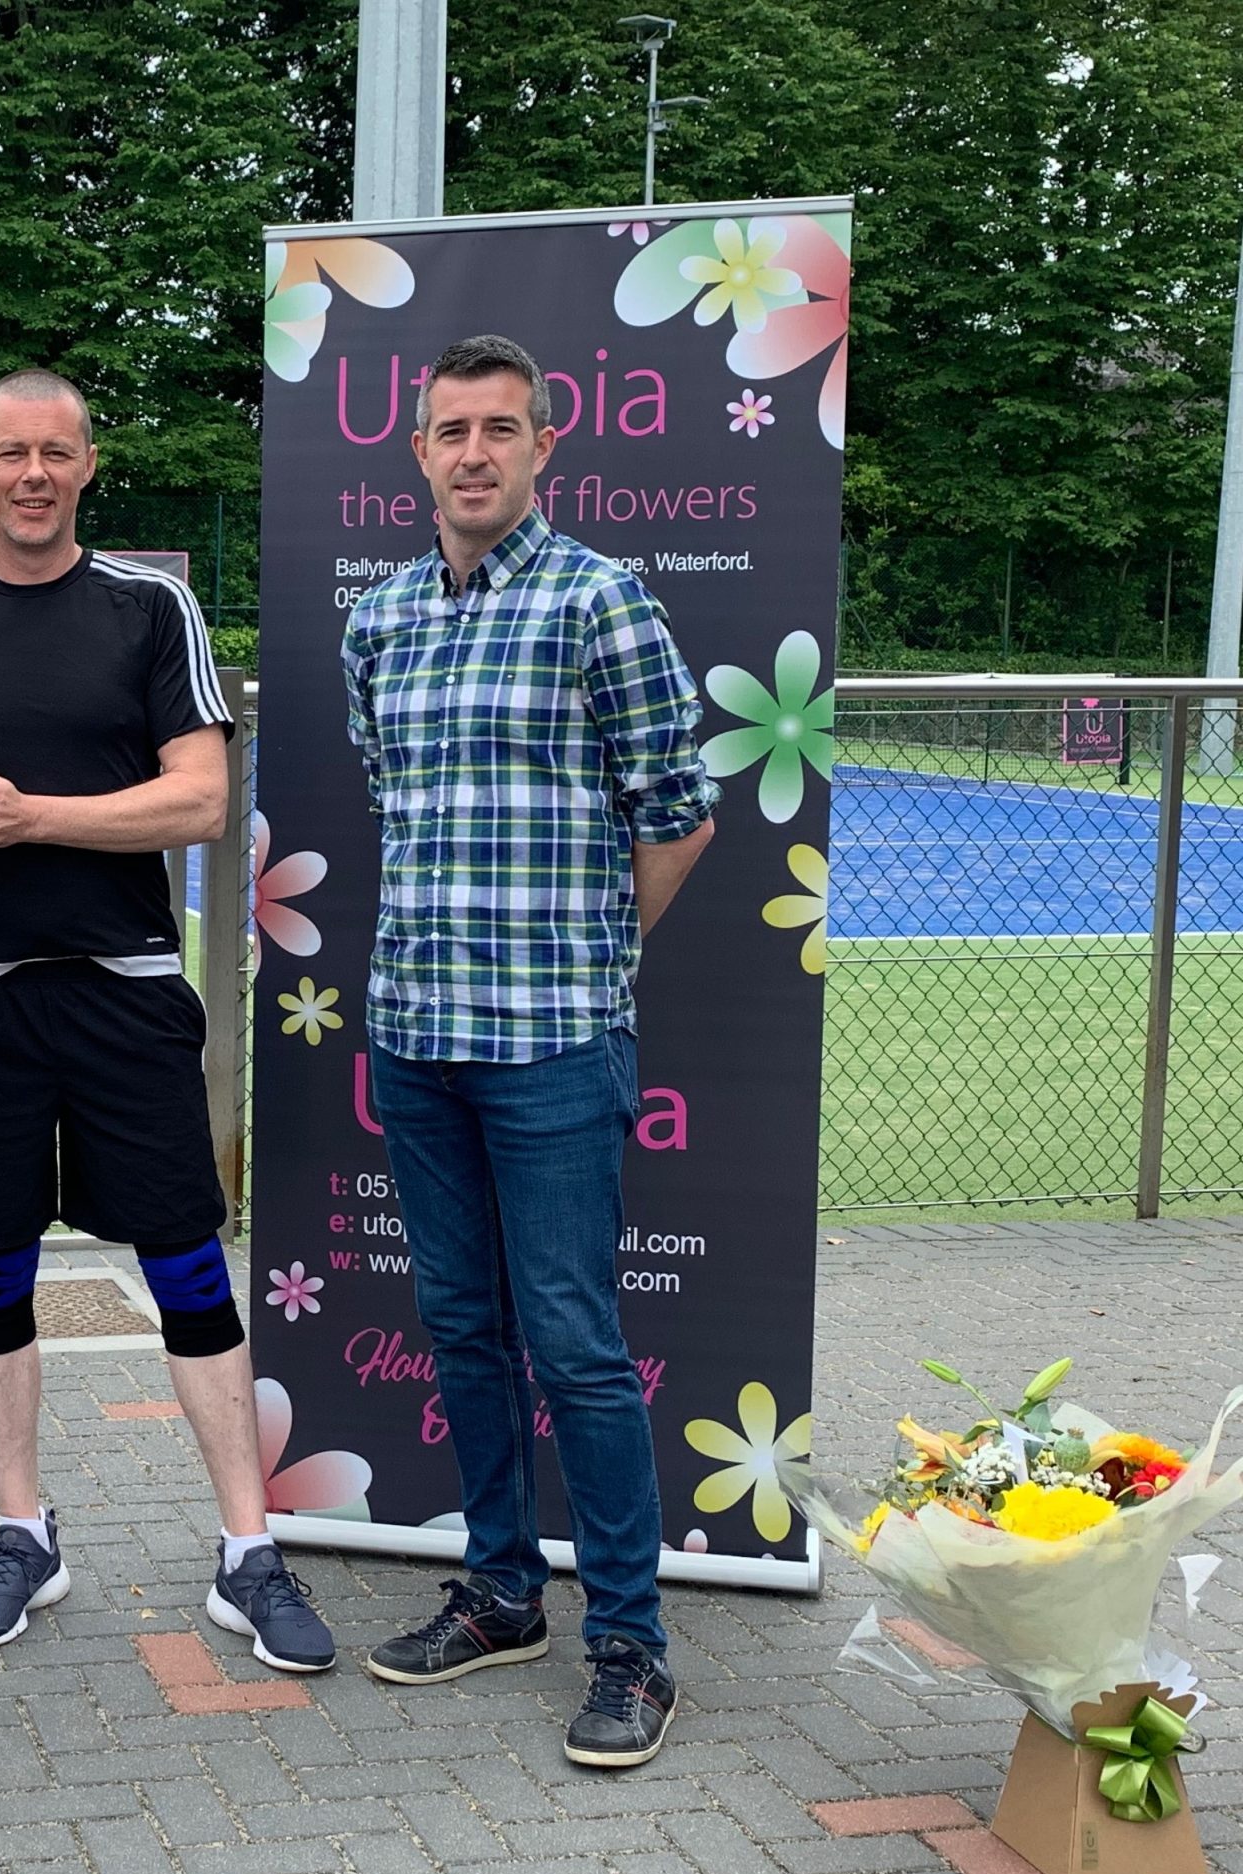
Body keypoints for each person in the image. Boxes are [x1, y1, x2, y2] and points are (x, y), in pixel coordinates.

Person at [0, 368, 335, 1673]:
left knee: (185, 1263)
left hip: (125, 986)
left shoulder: (148, 607)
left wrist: (38, 819)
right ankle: (22, 1533)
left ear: (87, 466)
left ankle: (248, 1549)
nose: (33, 474)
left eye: (56, 453)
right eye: (11, 452)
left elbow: (200, 799)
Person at [341, 334, 718, 1769]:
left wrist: (597, 956)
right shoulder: (380, 619)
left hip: (554, 1038)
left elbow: (677, 810)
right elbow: (394, 800)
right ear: (418, 450)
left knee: (573, 1340)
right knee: (460, 1326)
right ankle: (501, 1590)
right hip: (417, 1033)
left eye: (501, 428)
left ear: (545, 446)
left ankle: (631, 1644)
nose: (474, 452)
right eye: (452, 430)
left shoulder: (600, 601)